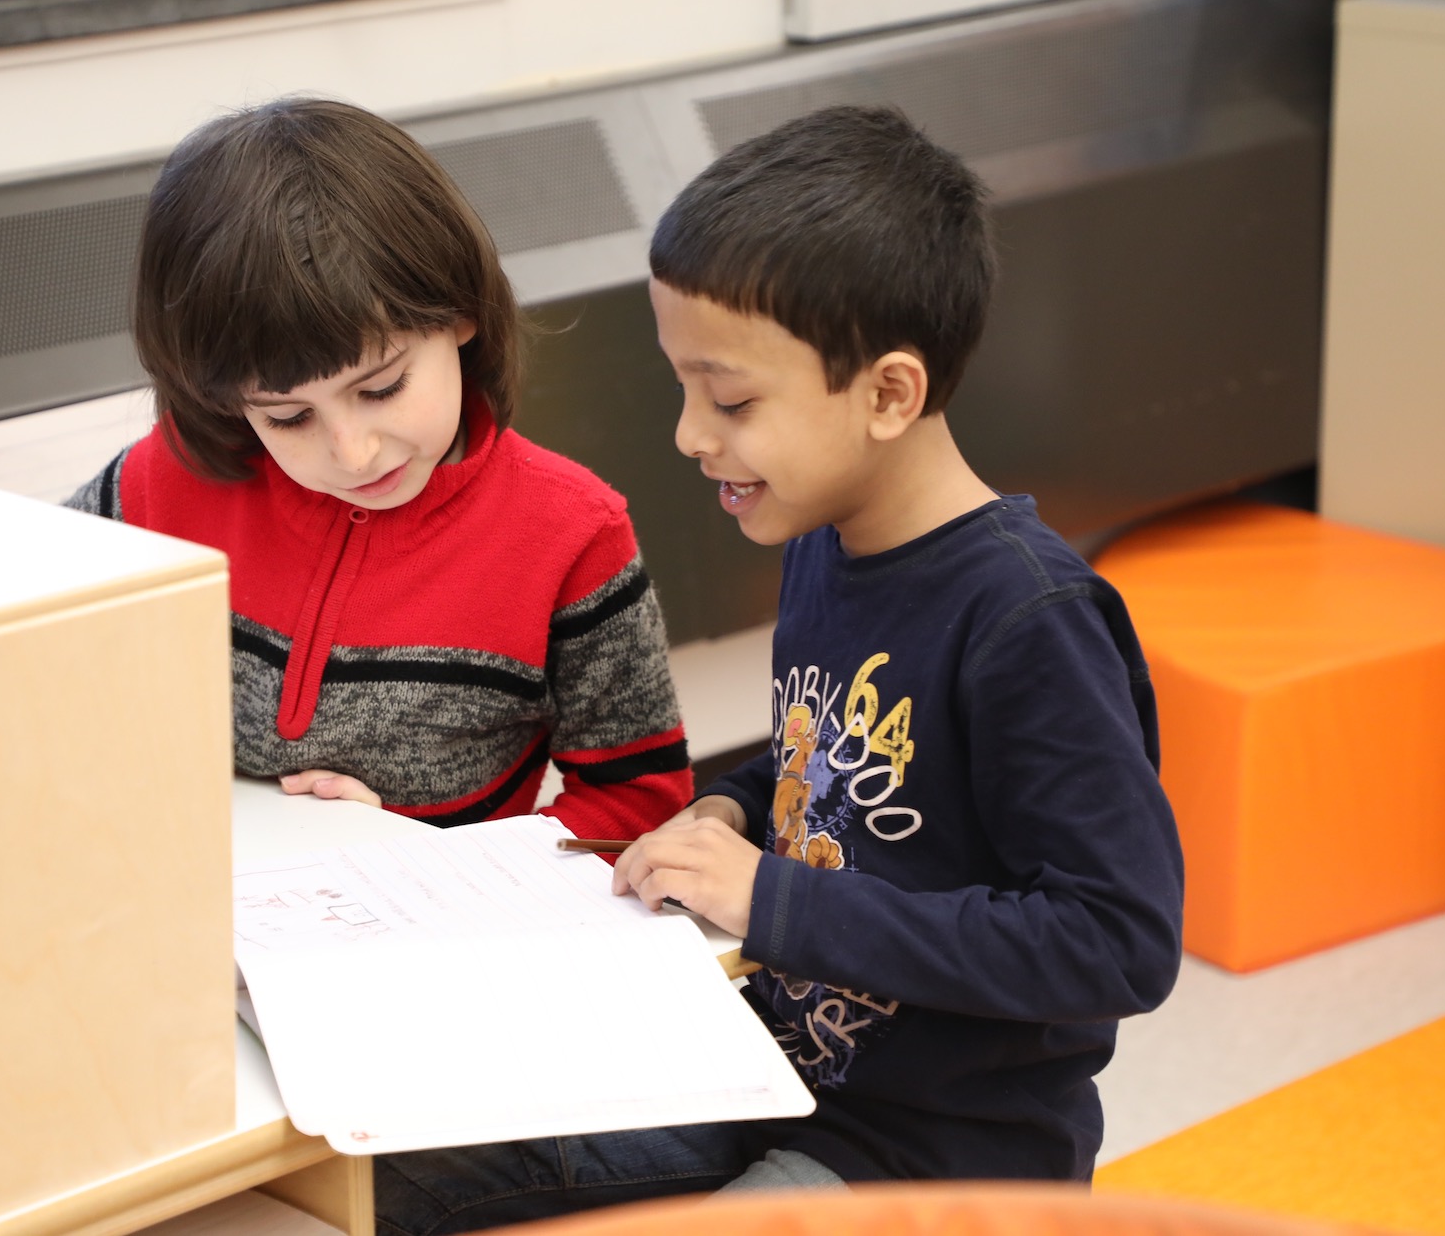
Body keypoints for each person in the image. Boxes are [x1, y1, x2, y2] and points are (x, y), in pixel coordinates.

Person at [372, 105, 1184, 1234]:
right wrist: (732, 804)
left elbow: (1115, 942)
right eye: (682, 388)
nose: (688, 435)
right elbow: (838, 774)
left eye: (732, 399)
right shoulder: (824, 542)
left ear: (888, 393)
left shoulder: (1025, 618)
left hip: (935, 1157)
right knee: (401, 1168)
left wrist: (774, 899)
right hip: (764, 1081)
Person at [66, 98, 692, 839]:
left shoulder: (572, 534)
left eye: (382, 387)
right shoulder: (161, 482)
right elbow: (22, 640)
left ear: (461, 313)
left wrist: (419, 859)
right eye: (287, 417)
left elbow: (639, 810)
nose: (352, 451)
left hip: (432, 934)